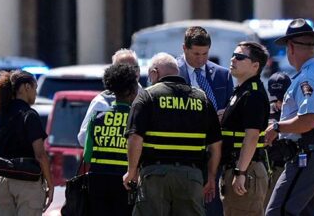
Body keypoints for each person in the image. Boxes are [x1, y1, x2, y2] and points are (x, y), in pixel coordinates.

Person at [123, 52, 222, 216]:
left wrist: (131, 171)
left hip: (155, 176)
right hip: (191, 177)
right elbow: (216, 144)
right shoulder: (201, 98)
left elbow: (135, 137)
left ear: (155, 72)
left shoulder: (147, 96)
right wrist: (211, 177)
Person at [264, 19, 314, 216]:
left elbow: (309, 120)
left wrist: (277, 128)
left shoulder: (308, 77)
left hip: (306, 157)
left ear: (290, 48)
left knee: (277, 212)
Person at [176, 26, 233, 216]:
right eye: (196, 54)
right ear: (184, 48)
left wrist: (224, 114)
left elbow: (231, 111)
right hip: (182, 155)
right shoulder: (172, 73)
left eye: (205, 53)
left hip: (214, 153)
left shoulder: (222, 75)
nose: (201, 59)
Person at [0, 70, 54, 216]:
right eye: (35, 88)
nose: (35, 93)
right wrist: (50, 185)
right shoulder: (29, 115)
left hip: (3, 181)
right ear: (27, 87)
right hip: (27, 180)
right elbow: (40, 155)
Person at [220, 41, 271, 216]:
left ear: (255, 65)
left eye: (240, 57)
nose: (233, 59)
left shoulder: (253, 93)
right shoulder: (241, 91)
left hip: (246, 170)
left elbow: (252, 136)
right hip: (235, 167)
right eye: (233, 55)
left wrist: (240, 172)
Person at [83, 63, 139, 216]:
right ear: (130, 91)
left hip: (97, 181)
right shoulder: (136, 119)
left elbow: (87, 155)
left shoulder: (97, 117)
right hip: (125, 182)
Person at [78, 49, 141, 147]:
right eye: (125, 68)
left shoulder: (148, 98)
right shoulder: (102, 101)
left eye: (134, 67)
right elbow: (83, 138)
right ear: (114, 72)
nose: (131, 72)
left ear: (139, 70)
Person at [263, 72, 291, 208]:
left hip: (287, 169)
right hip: (267, 170)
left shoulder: (296, 112)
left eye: (282, 98)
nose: (279, 102)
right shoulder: (264, 110)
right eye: (276, 98)